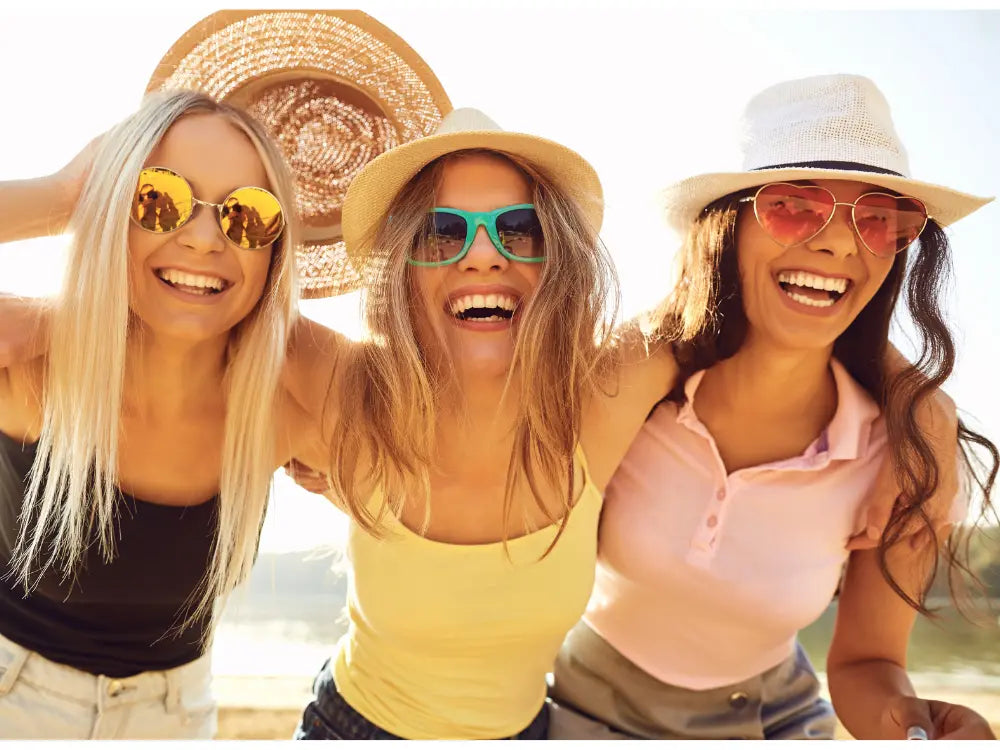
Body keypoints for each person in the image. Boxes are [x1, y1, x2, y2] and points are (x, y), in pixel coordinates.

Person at [546, 74, 998, 741]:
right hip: (577, 709)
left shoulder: (901, 453)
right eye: (794, 208)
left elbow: (867, 663)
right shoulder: (633, 387)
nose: (841, 245)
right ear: (726, 227)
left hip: (775, 720)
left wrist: (913, 728)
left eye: (877, 220)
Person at [280, 107, 679, 740]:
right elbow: (205, 311)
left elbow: (730, 299)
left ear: (559, 261)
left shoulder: (601, 397)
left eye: (519, 229)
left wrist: (897, 415)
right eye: (442, 232)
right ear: (401, 269)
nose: (484, 257)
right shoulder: (348, 389)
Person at [0, 89, 329, 739]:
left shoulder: (284, 410)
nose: (204, 238)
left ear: (275, 251)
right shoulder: (28, 372)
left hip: (177, 716)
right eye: (158, 199)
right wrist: (67, 193)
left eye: (248, 216)